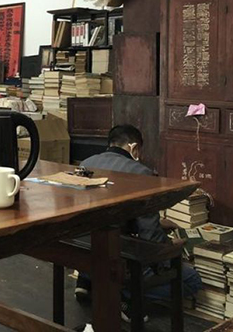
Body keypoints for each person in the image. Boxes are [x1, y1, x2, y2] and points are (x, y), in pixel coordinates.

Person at [75, 125, 202, 322]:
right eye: (139, 150)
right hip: (117, 255)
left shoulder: (86, 163)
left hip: (84, 249)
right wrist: (169, 250)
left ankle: (87, 280)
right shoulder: (141, 172)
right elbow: (150, 234)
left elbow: (105, 213)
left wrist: (157, 222)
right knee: (191, 279)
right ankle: (124, 297)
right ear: (133, 147)